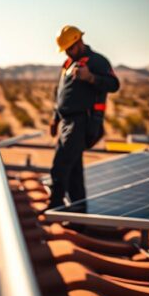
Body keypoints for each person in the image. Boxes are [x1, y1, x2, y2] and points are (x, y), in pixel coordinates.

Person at [48, 25, 120, 211]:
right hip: (66, 123)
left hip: (82, 122)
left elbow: (113, 85)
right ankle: (78, 215)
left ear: (79, 42)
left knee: (60, 167)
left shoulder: (97, 61)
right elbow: (61, 95)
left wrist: (90, 78)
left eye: (70, 49)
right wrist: (55, 119)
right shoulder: (68, 64)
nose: (68, 53)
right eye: (65, 51)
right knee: (73, 172)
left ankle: (54, 208)